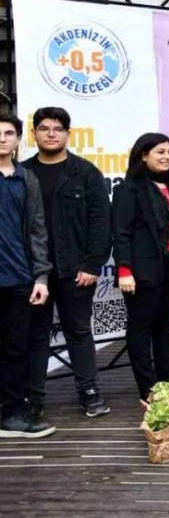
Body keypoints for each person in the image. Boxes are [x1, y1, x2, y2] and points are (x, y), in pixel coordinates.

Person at [23, 107, 111, 418]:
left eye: (57, 128)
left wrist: (92, 265)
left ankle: (89, 392)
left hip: (76, 270)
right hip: (33, 273)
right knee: (35, 334)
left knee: (79, 331)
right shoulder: (22, 173)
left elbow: (102, 223)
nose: (50, 133)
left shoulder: (85, 173)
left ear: (67, 134)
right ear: (34, 133)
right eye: (44, 128)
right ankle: (32, 399)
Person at [112, 132, 169, 400]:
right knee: (140, 329)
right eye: (160, 152)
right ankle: (148, 389)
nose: (167, 157)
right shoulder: (128, 189)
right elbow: (121, 232)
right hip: (140, 271)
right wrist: (124, 270)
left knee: (165, 325)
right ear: (143, 155)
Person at [0, 112, 54, 438]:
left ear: (19, 139)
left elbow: (37, 230)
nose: (2, 138)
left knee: (15, 350)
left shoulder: (26, 179)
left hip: (18, 279)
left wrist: (41, 277)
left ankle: (11, 415)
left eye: (8, 133)